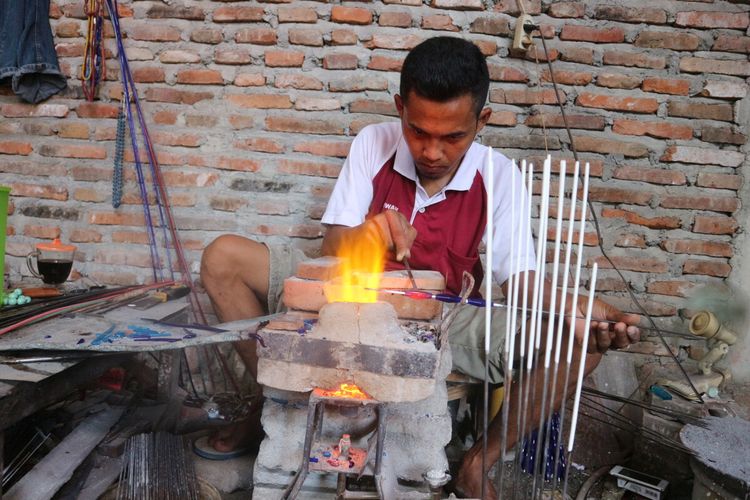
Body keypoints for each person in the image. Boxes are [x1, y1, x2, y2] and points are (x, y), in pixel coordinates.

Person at [201, 36, 641, 498]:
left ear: (481, 121)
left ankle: (476, 466)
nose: (432, 152)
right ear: (400, 110)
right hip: (347, 292)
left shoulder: (499, 176)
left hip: (443, 312)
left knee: (576, 340)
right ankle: (270, 401)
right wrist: (366, 234)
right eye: (418, 131)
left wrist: (573, 306)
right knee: (222, 257)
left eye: (453, 137)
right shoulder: (374, 143)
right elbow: (329, 246)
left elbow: (520, 279)